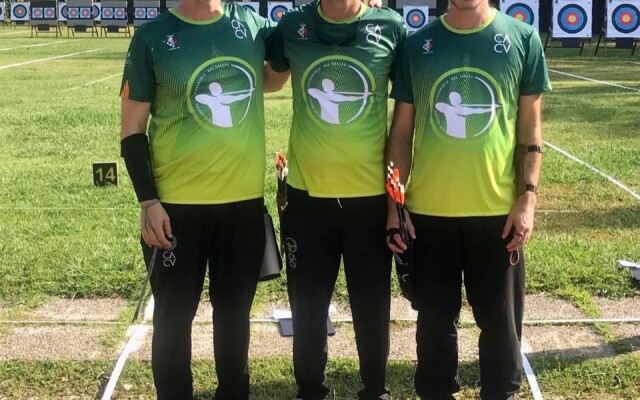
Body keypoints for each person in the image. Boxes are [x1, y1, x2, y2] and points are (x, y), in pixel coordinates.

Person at [119, 0, 289, 397]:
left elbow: (277, 74)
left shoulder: (252, 24)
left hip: (242, 206)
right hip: (175, 209)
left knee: (234, 319)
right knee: (173, 319)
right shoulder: (152, 37)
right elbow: (132, 129)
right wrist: (148, 202)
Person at [386, 0, 550, 399]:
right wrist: (395, 205)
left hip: (496, 214)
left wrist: (527, 200)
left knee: (500, 322)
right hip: (428, 214)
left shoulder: (522, 38)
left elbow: (530, 132)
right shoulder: (418, 43)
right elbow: (401, 132)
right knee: (434, 323)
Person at [268, 1, 406, 399]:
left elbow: (406, 116)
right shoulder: (293, 26)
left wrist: (395, 201)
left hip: (369, 200)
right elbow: (266, 77)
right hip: (307, 200)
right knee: (307, 309)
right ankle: (310, 390)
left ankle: (375, 390)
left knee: (372, 307)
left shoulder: (390, 26)